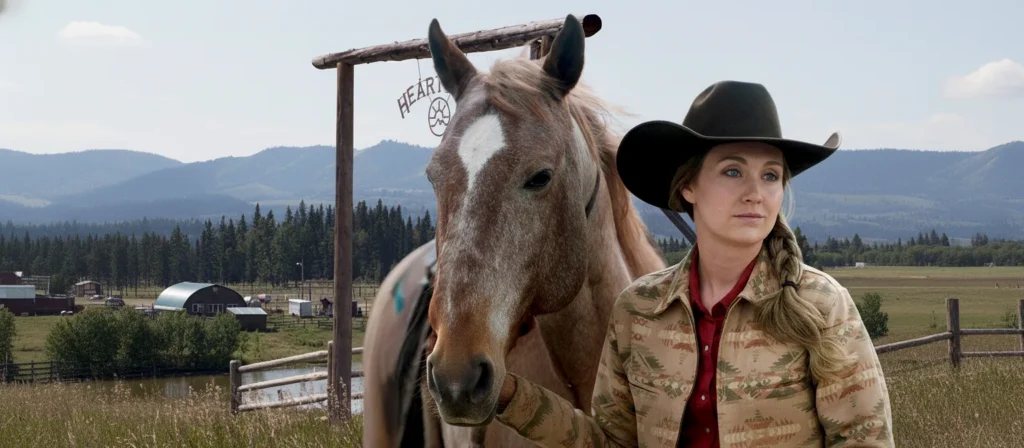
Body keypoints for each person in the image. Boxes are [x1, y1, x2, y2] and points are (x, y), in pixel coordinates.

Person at [491, 81, 895, 447]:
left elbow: (865, 440)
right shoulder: (639, 311)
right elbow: (612, 443)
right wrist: (511, 397)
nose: (756, 193)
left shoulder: (822, 305)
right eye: (733, 171)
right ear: (688, 187)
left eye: (770, 176)